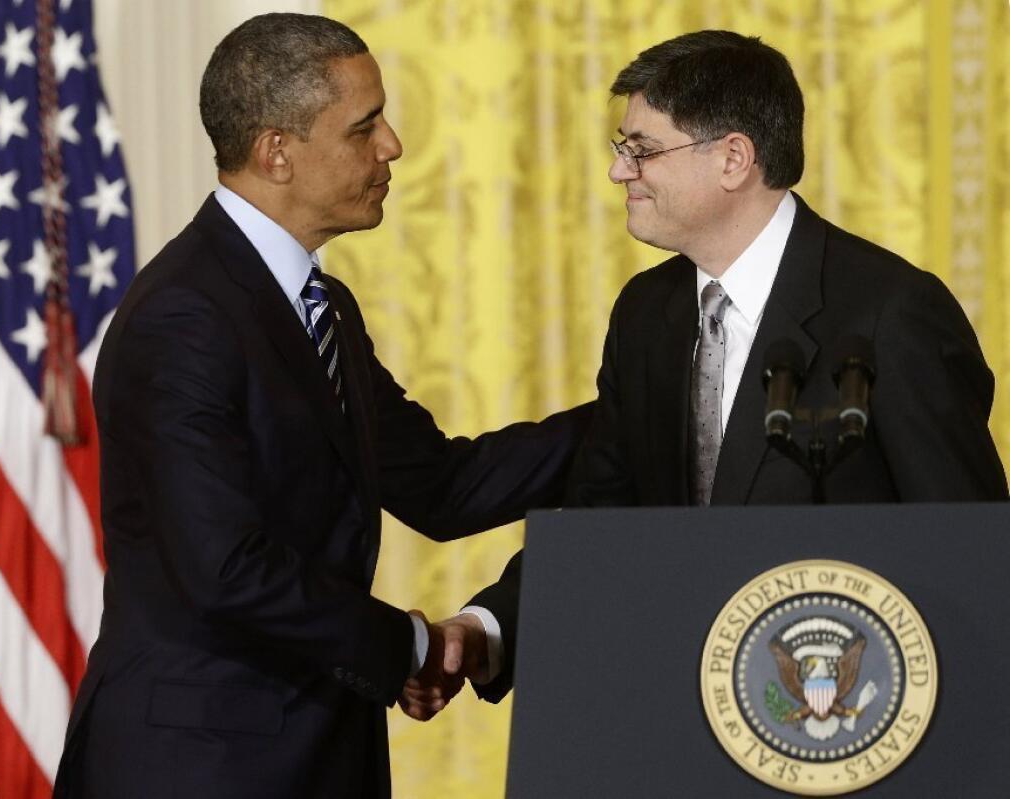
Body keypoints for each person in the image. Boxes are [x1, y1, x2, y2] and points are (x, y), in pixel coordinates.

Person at [52, 13, 589, 798]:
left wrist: (649, 404)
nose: (394, 145)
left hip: (318, 753)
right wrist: (407, 643)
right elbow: (225, 567)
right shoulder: (185, 314)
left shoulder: (321, 304)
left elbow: (442, 483)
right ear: (277, 151)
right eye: (364, 127)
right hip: (199, 764)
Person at [403, 29, 1008, 715]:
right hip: (685, 724)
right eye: (621, 149)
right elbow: (605, 524)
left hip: (850, 725)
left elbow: (971, 557)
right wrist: (489, 629)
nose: (618, 172)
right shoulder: (645, 313)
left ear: (734, 158)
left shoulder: (891, 311)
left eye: (642, 151)